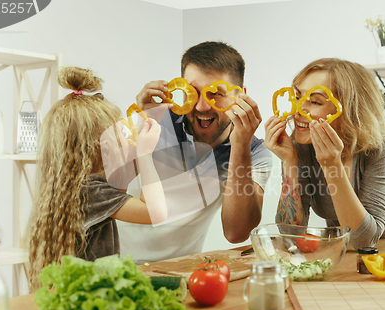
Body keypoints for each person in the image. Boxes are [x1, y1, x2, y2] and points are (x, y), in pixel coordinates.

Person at [117, 41, 272, 263]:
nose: (201, 106)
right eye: (193, 92)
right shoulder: (155, 119)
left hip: (176, 269)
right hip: (108, 258)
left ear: (240, 95)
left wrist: (240, 146)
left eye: (215, 94)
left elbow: (236, 233)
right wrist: (141, 124)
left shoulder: (254, 151)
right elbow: (106, 190)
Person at [24, 67, 167, 290]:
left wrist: (145, 120)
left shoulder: (75, 185)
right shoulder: (90, 190)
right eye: (120, 133)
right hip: (91, 295)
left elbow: (121, 180)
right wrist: (145, 154)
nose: (125, 138)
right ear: (104, 148)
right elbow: (155, 212)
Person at [264, 58, 385, 249]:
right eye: (298, 97)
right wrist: (289, 162)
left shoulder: (382, 144)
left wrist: (331, 165)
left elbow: (365, 240)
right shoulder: (301, 145)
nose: (299, 110)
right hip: (346, 247)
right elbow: (290, 235)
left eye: (315, 101)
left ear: (350, 108)